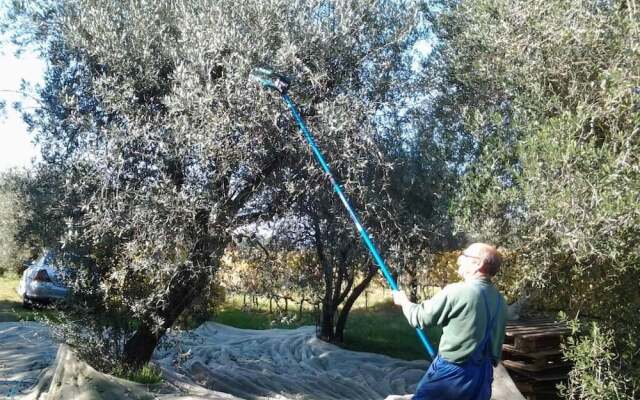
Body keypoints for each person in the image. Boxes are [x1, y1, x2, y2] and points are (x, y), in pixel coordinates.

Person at [392, 243, 507, 400]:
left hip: (452, 373)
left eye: (465, 255)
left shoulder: (459, 291)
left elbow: (418, 317)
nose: (460, 258)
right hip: (484, 376)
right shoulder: (500, 300)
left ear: (478, 264)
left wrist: (404, 301)